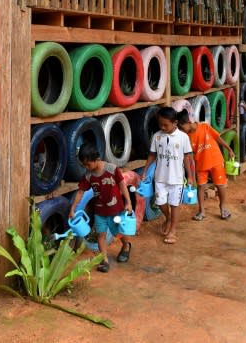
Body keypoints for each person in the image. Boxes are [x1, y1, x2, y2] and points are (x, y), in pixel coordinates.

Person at [69, 143, 134, 273]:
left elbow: (122, 185)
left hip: (116, 209)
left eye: (88, 164)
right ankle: (104, 260)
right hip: (100, 211)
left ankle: (126, 246)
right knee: (101, 235)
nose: (87, 168)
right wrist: (73, 208)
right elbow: (80, 192)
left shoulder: (112, 169)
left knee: (119, 232)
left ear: (97, 159)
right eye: (84, 165)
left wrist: (128, 202)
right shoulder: (88, 176)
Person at [143, 107, 196, 244]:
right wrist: (145, 171)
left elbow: (187, 158)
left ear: (175, 123)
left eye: (165, 124)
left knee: (175, 204)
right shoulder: (157, 136)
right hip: (160, 177)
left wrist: (190, 176)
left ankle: (173, 230)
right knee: (160, 202)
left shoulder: (183, 137)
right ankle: (168, 218)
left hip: (177, 179)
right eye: (160, 124)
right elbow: (152, 155)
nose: (162, 127)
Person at [177, 109, 235, 221]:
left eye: (182, 127)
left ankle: (223, 207)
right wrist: (189, 174)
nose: (182, 130)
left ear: (188, 122)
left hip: (216, 161)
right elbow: (187, 156)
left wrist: (229, 149)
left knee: (221, 185)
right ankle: (201, 211)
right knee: (201, 187)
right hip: (200, 165)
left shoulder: (204, 126)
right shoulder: (186, 137)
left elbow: (218, 138)